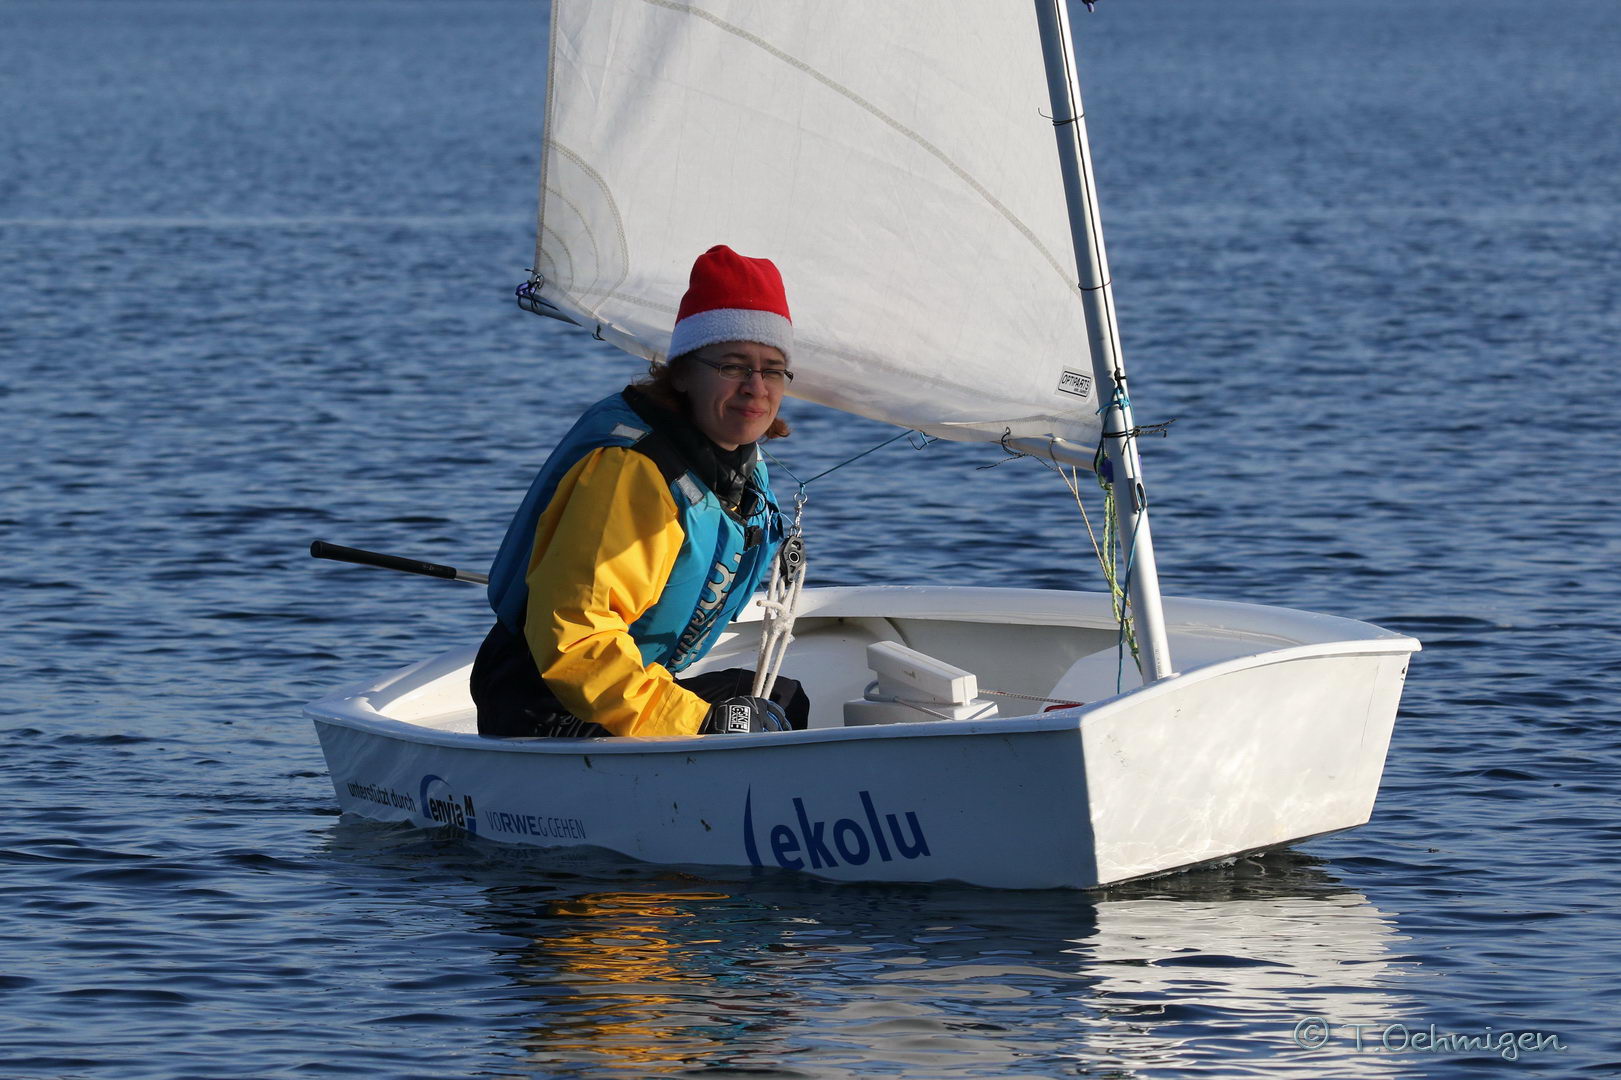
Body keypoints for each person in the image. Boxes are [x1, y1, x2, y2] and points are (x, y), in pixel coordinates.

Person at [471, 245, 810, 738]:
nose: (756, 387)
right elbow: (577, 638)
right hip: (549, 702)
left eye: (772, 369)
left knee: (781, 701)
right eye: (733, 366)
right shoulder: (629, 473)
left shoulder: (734, 463)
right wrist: (697, 721)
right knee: (740, 726)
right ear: (683, 373)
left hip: (622, 686)